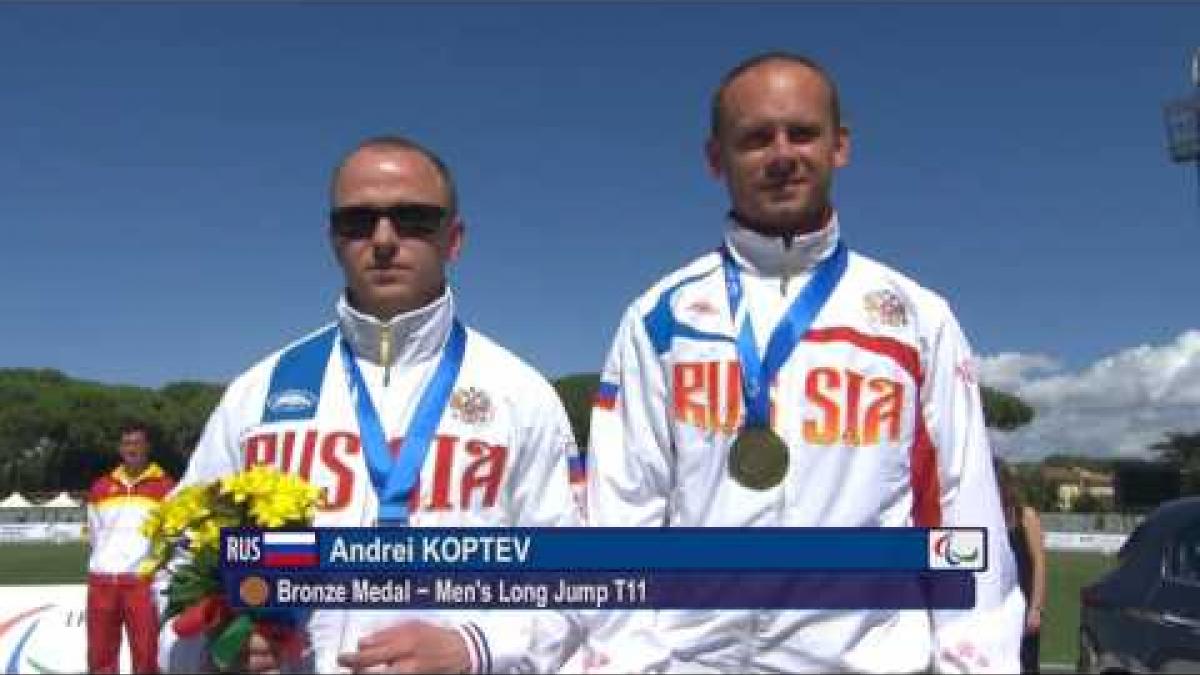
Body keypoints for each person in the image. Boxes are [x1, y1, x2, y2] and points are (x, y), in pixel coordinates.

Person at [583, 51, 1025, 673]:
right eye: (756, 138)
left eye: (803, 133)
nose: (783, 154)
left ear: (839, 146)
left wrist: (976, 661)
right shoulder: (662, 317)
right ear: (717, 160)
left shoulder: (916, 317)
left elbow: (962, 506)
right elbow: (620, 514)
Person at [159, 135, 585, 673]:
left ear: (453, 239)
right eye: (358, 221)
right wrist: (214, 645)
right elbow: (173, 567)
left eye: (413, 218)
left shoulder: (521, 395)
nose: (384, 239)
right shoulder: (257, 392)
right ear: (333, 239)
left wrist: (477, 648)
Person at [87, 422, 176, 674]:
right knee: (100, 657)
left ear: (148, 447)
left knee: (147, 656)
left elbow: (172, 536)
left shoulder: (167, 487)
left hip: (142, 582)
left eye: (137, 443)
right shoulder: (100, 487)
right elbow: (95, 536)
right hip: (102, 582)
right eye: (127, 444)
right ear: (119, 448)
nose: (132, 449)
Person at [996, 460, 1046, 673]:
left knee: (1025, 665)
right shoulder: (985, 516)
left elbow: (1039, 564)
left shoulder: (1026, 517)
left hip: (1023, 606)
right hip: (994, 609)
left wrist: (1035, 609)